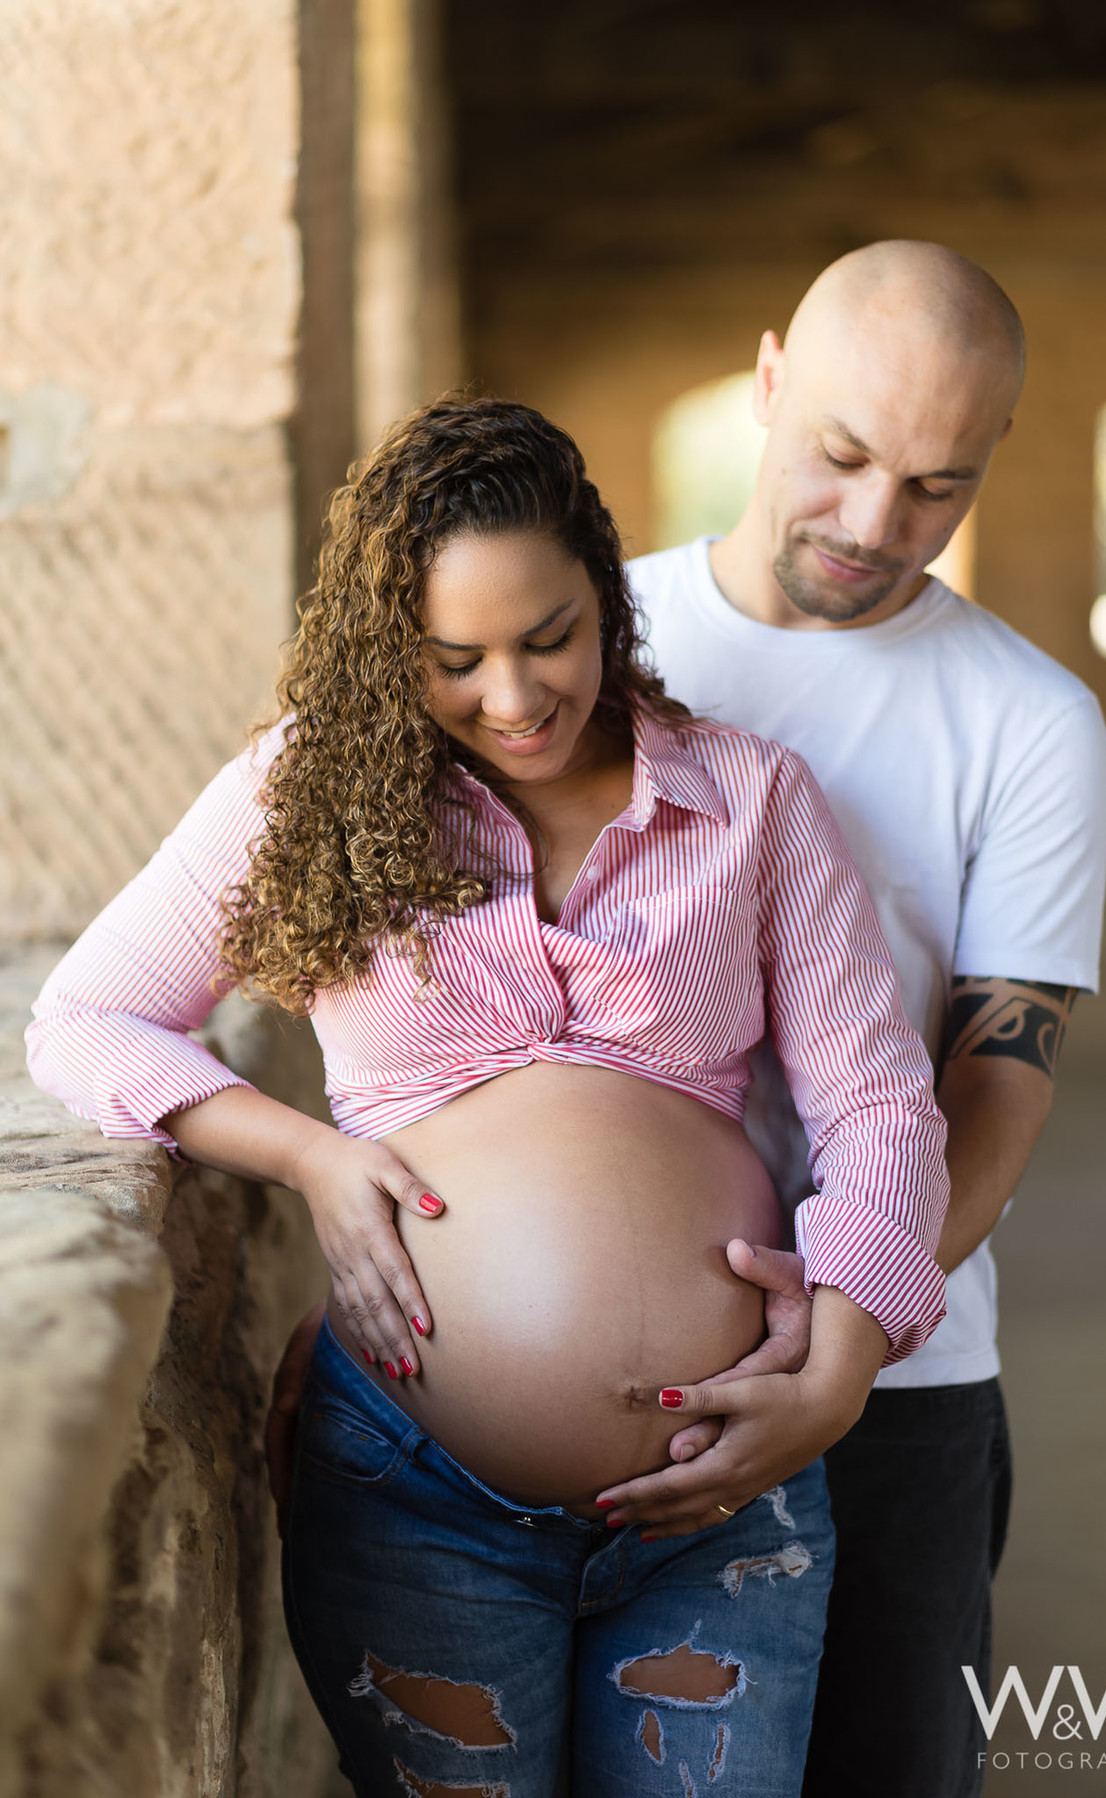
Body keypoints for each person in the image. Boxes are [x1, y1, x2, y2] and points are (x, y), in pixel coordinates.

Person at [26, 397, 951, 1797]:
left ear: (607, 594)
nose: (512, 697)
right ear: (386, 648)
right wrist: (312, 1162)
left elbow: (881, 1106)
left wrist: (836, 1369)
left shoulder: (752, 804)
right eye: (452, 660)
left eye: (551, 636)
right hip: (418, 1504)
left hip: (728, 1501)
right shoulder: (308, 795)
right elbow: (79, 1016)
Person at [618, 240, 1106, 1797]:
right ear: (766, 382)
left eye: (937, 486)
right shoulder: (583, 648)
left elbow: (1000, 1077)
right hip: (597, 1364)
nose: (878, 526)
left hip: (895, 1390)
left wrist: (844, 1344)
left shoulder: (1031, 718)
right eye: (841, 456)